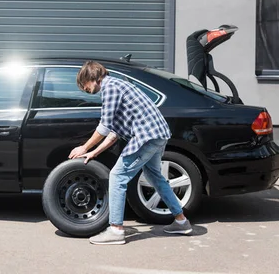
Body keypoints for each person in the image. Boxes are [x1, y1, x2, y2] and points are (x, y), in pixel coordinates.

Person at [68, 61, 192, 245]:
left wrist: (84, 148)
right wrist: (94, 152)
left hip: (147, 136)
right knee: (155, 177)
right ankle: (182, 221)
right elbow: (114, 132)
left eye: (84, 85)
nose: (85, 90)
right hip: (157, 135)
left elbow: (104, 126)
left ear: (91, 78)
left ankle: (116, 230)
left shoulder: (109, 87)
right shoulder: (118, 85)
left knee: (117, 176)